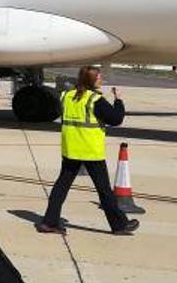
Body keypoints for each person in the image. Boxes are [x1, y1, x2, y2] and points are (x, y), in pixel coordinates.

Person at [36, 66, 140, 236]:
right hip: (91, 151)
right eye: (99, 77)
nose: (102, 80)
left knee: (61, 186)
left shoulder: (67, 96)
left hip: (71, 149)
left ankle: (49, 221)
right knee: (104, 190)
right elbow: (116, 119)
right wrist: (118, 100)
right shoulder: (95, 100)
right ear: (92, 80)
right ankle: (120, 225)